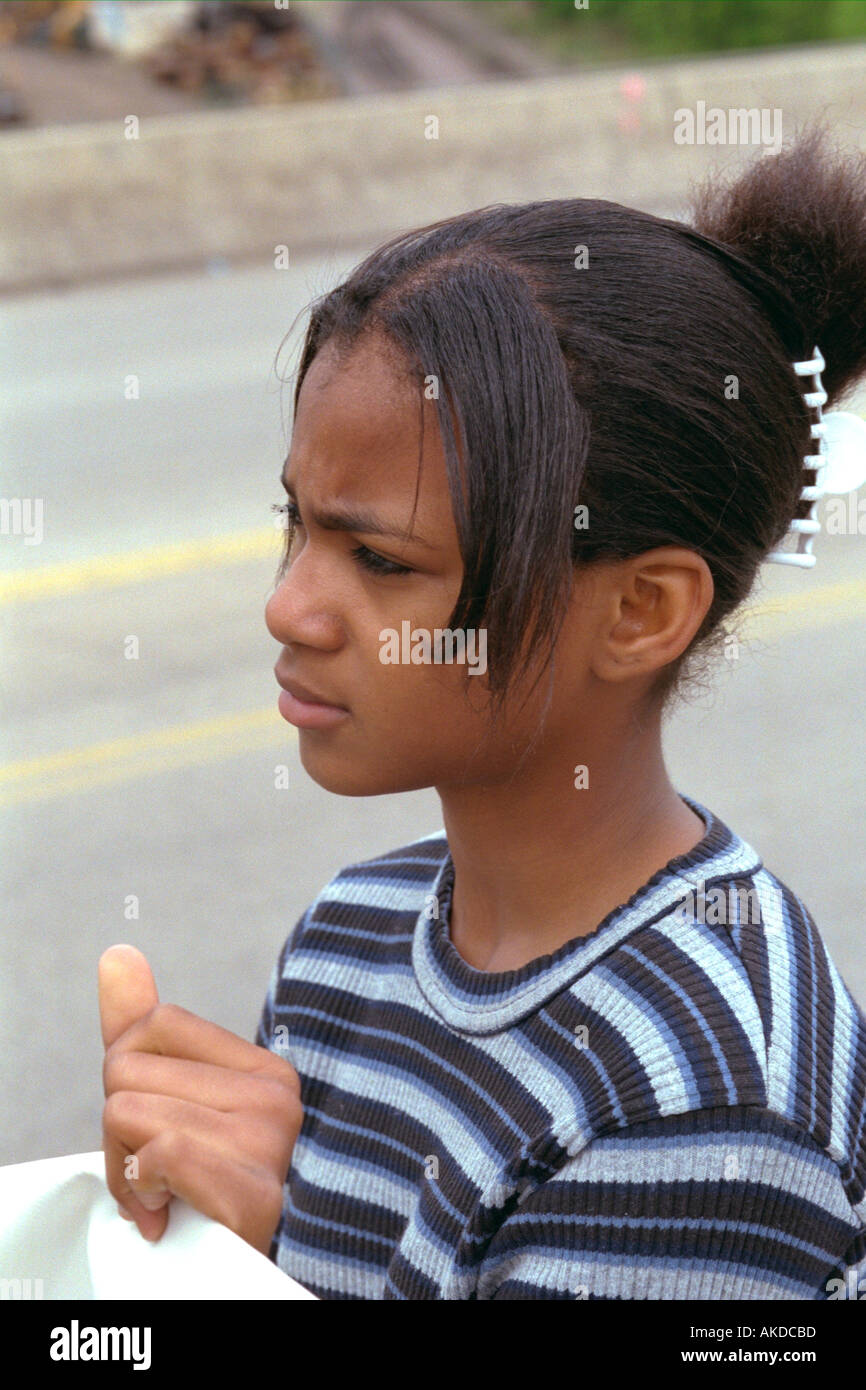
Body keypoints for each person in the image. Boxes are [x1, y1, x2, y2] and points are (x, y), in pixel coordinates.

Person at [100, 120, 866, 1299]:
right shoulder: (348, 937)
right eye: (296, 522)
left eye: (382, 560)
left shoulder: (699, 1099)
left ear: (640, 610)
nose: (289, 606)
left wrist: (258, 1267)